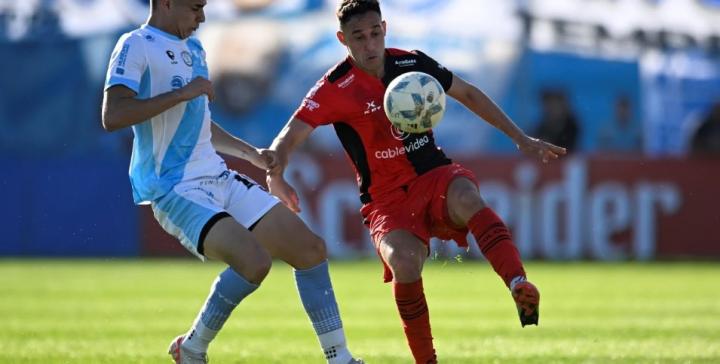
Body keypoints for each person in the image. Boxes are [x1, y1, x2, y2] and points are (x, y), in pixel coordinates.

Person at [266, 1, 567, 363]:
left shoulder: (411, 64)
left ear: (385, 28)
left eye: (375, 33)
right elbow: (289, 136)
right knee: (404, 265)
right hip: (385, 199)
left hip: (432, 173)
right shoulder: (334, 87)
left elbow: (468, 93)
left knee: (468, 198)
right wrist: (276, 171)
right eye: (359, 38)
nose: (369, 45)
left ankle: (518, 283)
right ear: (342, 39)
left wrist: (520, 138)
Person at [100, 1, 362, 363]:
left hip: (217, 176)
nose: (202, 17)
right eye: (195, 8)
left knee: (311, 250)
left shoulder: (193, 47)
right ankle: (193, 348)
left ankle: (340, 358)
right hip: (174, 189)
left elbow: (197, 124)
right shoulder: (135, 44)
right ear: (165, 3)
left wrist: (251, 154)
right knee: (253, 262)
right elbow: (113, 116)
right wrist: (181, 93)